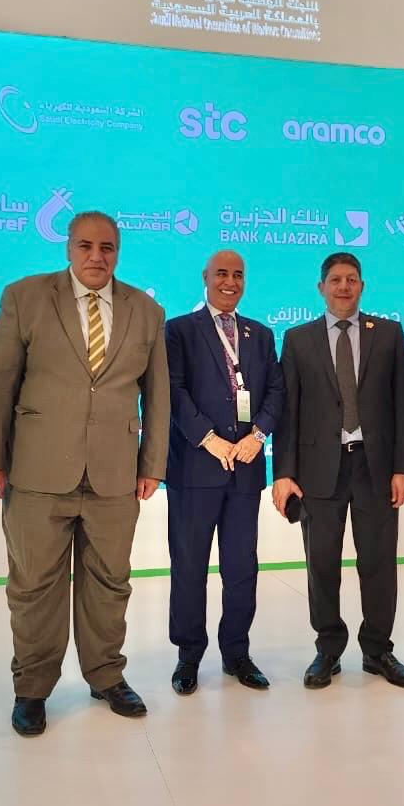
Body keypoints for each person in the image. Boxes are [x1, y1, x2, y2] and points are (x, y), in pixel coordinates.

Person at [0, 211, 168, 737]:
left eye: (107, 247)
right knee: (35, 585)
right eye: (85, 245)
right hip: (37, 473)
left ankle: (107, 676)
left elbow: (158, 396)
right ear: (68, 248)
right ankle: (32, 689)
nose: (96, 256)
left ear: (118, 252)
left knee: (111, 582)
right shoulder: (26, 298)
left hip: (114, 476)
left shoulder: (147, 311)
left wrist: (152, 465)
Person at [272, 252, 404, 690]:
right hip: (319, 470)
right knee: (321, 563)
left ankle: (378, 650)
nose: (343, 287)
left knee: (378, 561)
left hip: (375, 468)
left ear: (362, 286)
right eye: (335, 279)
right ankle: (328, 649)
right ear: (321, 287)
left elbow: (403, 403)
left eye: (351, 279)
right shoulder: (297, 339)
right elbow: (288, 413)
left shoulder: (388, 334)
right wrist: (284, 472)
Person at [164, 250, 285, 695]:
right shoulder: (179, 330)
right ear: (205, 277)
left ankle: (237, 653)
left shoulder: (260, 334)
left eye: (237, 275)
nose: (230, 282)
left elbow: (276, 391)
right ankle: (188, 657)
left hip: (245, 471)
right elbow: (173, 392)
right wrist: (208, 439)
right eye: (221, 274)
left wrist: (258, 436)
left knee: (241, 568)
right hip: (195, 470)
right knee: (189, 567)